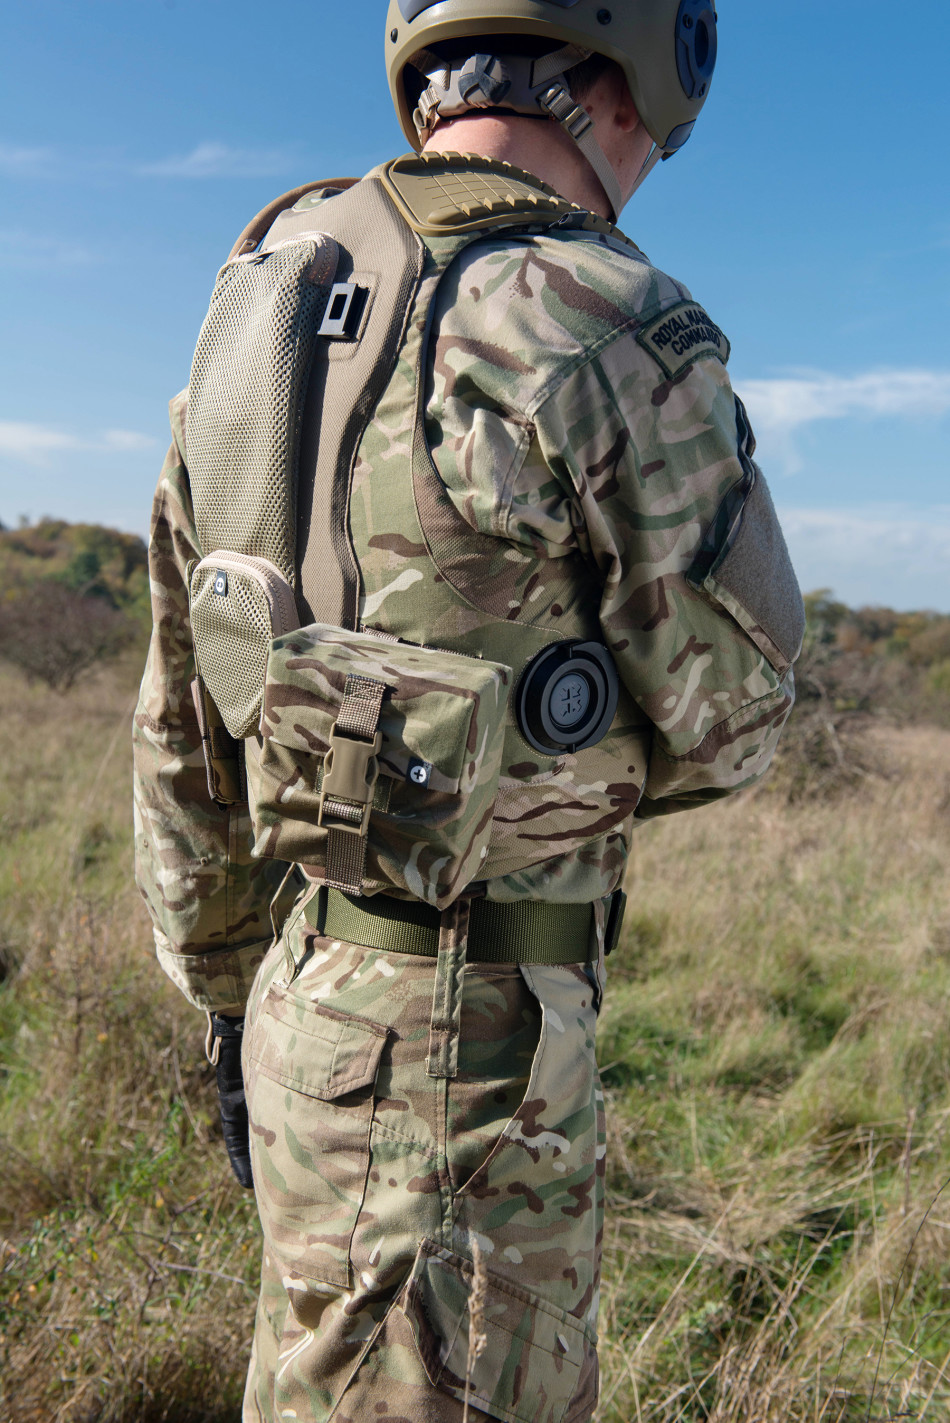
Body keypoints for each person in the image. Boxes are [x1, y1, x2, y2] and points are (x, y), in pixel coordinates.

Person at [133, 2, 804, 1419]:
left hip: (301, 1003)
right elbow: (736, 716)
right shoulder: (603, 315)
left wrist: (223, 1006)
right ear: (622, 75)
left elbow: (184, 724)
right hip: (474, 1056)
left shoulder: (255, 315)